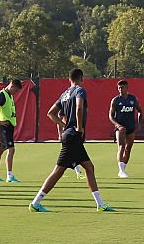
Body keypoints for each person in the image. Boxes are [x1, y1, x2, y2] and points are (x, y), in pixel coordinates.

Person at [29, 69, 114, 213]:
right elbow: (79, 107)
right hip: (74, 136)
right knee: (58, 171)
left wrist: (64, 126)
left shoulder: (64, 94)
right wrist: (79, 127)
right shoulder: (80, 90)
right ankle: (35, 203)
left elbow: (51, 113)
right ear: (81, 78)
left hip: (69, 135)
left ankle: (100, 203)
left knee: (89, 167)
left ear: (69, 79)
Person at [0, 79, 23, 183]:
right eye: (16, 90)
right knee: (11, 149)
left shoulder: (9, 96)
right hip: (5, 126)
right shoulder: (2, 95)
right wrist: (0, 121)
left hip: (9, 126)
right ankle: (10, 175)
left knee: (0, 149)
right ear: (11, 86)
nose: (16, 92)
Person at [109, 79, 142, 178]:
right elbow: (110, 116)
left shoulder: (133, 99)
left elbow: (140, 111)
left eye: (122, 87)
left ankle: (123, 168)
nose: (120, 89)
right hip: (120, 128)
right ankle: (121, 170)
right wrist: (118, 125)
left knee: (128, 148)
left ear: (127, 88)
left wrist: (139, 124)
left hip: (131, 127)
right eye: (119, 88)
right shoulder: (115, 100)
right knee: (121, 146)